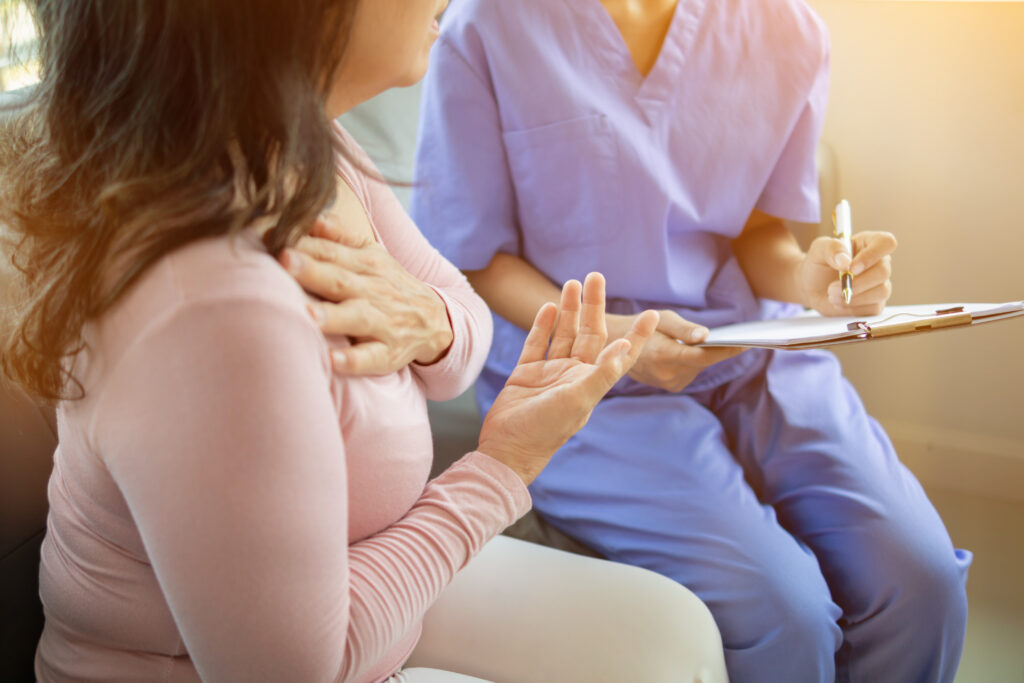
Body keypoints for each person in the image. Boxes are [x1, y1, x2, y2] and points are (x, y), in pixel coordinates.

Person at [0, 1, 731, 681]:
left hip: (360, 567)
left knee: (675, 634)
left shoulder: (304, 141)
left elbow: (462, 333)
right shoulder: (213, 309)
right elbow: (302, 669)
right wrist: (504, 466)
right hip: (239, 657)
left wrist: (428, 320)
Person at [409, 0, 972, 681]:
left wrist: (811, 279)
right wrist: (616, 339)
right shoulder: (486, 27)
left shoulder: (786, 28)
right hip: (585, 378)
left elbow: (758, 232)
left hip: (754, 348)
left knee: (924, 582)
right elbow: (476, 257)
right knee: (783, 611)